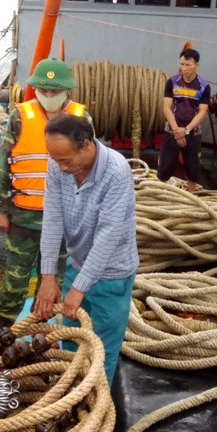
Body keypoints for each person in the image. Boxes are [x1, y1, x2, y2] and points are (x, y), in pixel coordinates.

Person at [33, 114, 138, 385]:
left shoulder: (116, 171)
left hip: (112, 274)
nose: (60, 167)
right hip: (77, 264)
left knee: (101, 349)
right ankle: (68, 391)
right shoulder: (58, 166)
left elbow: (108, 235)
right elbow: (53, 219)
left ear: (87, 145)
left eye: (66, 160)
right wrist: (47, 277)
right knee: (70, 339)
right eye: (55, 160)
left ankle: (94, 405)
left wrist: (79, 289)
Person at [0, 58, 90, 329]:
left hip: (64, 220)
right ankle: (2, 328)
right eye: (43, 91)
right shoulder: (20, 115)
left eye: (54, 91)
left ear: (67, 90)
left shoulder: (81, 118)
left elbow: (89, 167)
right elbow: (2, 163)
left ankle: (38, 331)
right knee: (15, 281)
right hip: (24, 217)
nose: (48, 97)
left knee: (52, 283)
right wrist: (2, 207)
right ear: (34, 89)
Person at [158, 46, 211, 192]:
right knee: (164, 168)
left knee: (193, 168)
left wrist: (186, 130)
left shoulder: (204, 86)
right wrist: (176, 130)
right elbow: (166, 107)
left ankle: (191, 198)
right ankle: (161, 196)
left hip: (192, 133)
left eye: (188, 65)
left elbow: (202, 112)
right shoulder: (172, 82)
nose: (184, 68)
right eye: (182, 64)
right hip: (172, 131)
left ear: (196, 66)